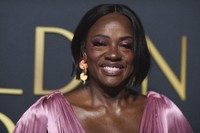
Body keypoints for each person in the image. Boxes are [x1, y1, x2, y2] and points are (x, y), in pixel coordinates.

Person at [13, 4, 193, 133]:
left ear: (136, 54)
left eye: (125, 45)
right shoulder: (45, 115)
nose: (113, 54)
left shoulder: (164, 114)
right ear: (83, 53)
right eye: (100, 43)